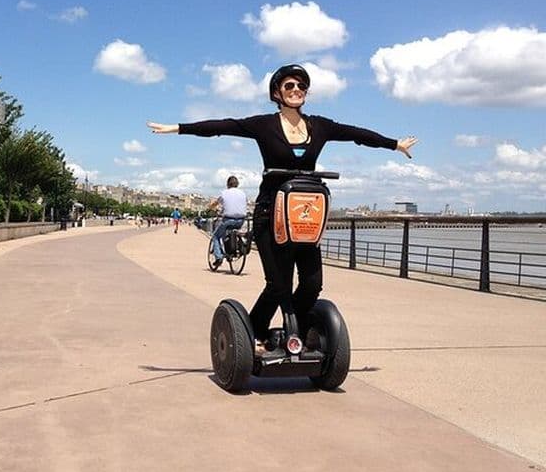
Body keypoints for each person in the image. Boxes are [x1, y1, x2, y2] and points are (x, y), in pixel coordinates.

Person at [148, 63, 417, 351]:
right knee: (279, 285)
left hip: (305, 218)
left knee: (312, 285)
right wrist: (177, 128)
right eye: (290, 86)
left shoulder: (319, 126)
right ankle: (256, 332)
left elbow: (355, 134)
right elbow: (223, 126)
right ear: (277, 92)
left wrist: (395, 145)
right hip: (270, 215)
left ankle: (296, 331)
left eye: (301, 86)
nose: (296, 90)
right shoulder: (264, 125)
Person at [208, 175, 248, 267]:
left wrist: (210, 208)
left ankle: (219, 257)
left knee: (216, 236)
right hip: (241, 220)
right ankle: (235, 249)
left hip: (228, 220)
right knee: (232, 232)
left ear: (227, 184)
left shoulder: (224, 193)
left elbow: (216, 203)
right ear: (237, 184)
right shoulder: (243, 193)